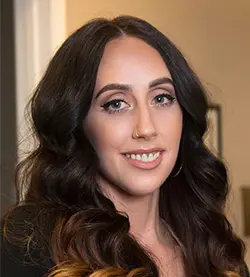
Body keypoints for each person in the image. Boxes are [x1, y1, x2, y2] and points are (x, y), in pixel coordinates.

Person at [1, 15, 249, 277]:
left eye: (162, 98)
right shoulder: (27, 248)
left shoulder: (216, 252)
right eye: (116, 104)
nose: (146, 129)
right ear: (76, 122)